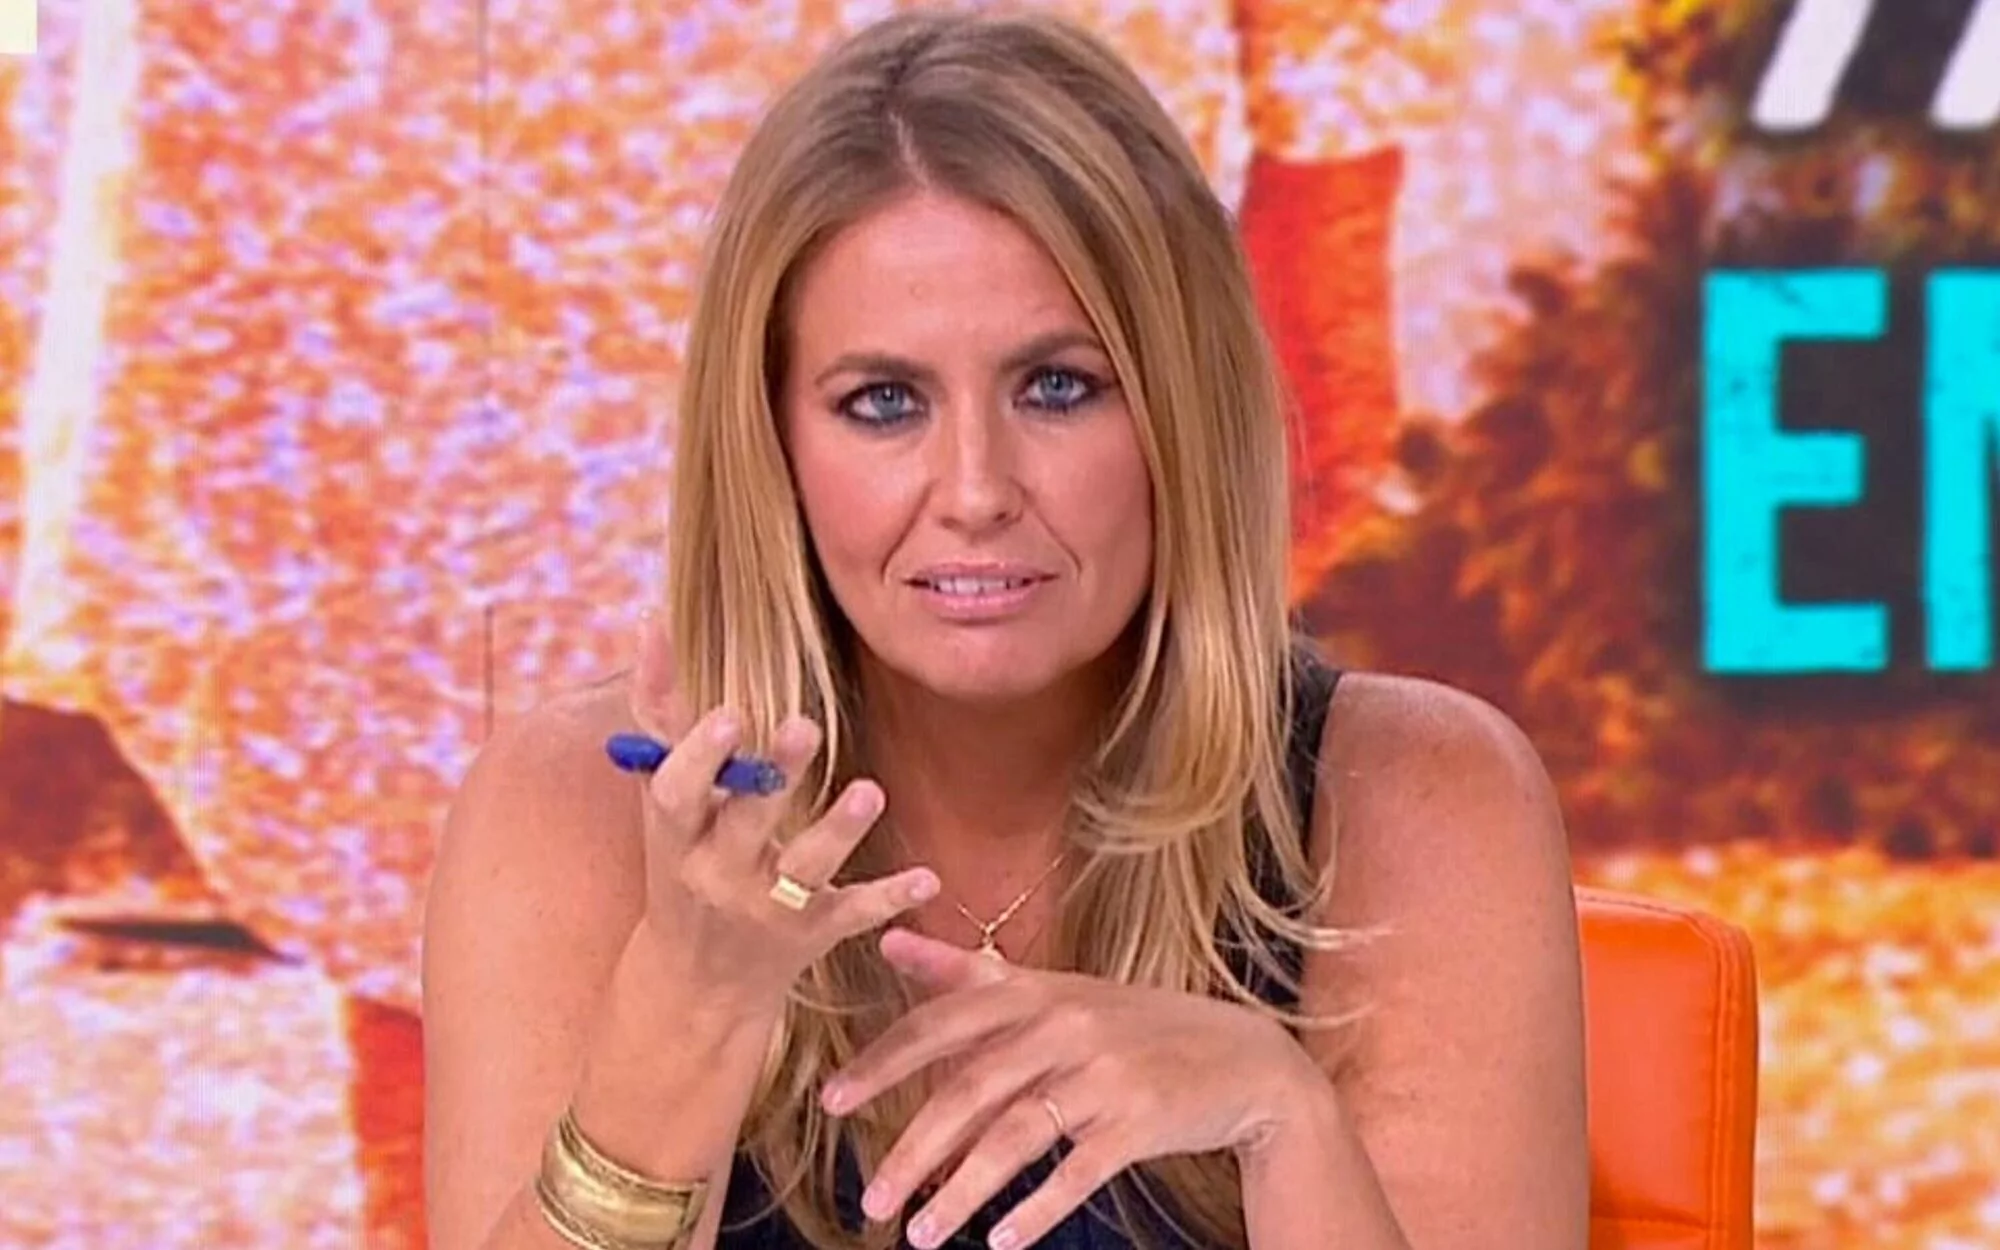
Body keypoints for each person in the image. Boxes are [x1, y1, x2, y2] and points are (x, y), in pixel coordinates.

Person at [420, 9, 1589, 1250]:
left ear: (1181, 415)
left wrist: (1279, 1114)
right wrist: (687, 1007)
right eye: (883, 401)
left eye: (1057, 387)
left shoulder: (1421, 799)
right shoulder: (569, 811)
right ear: (773, 445)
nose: (975, 490)